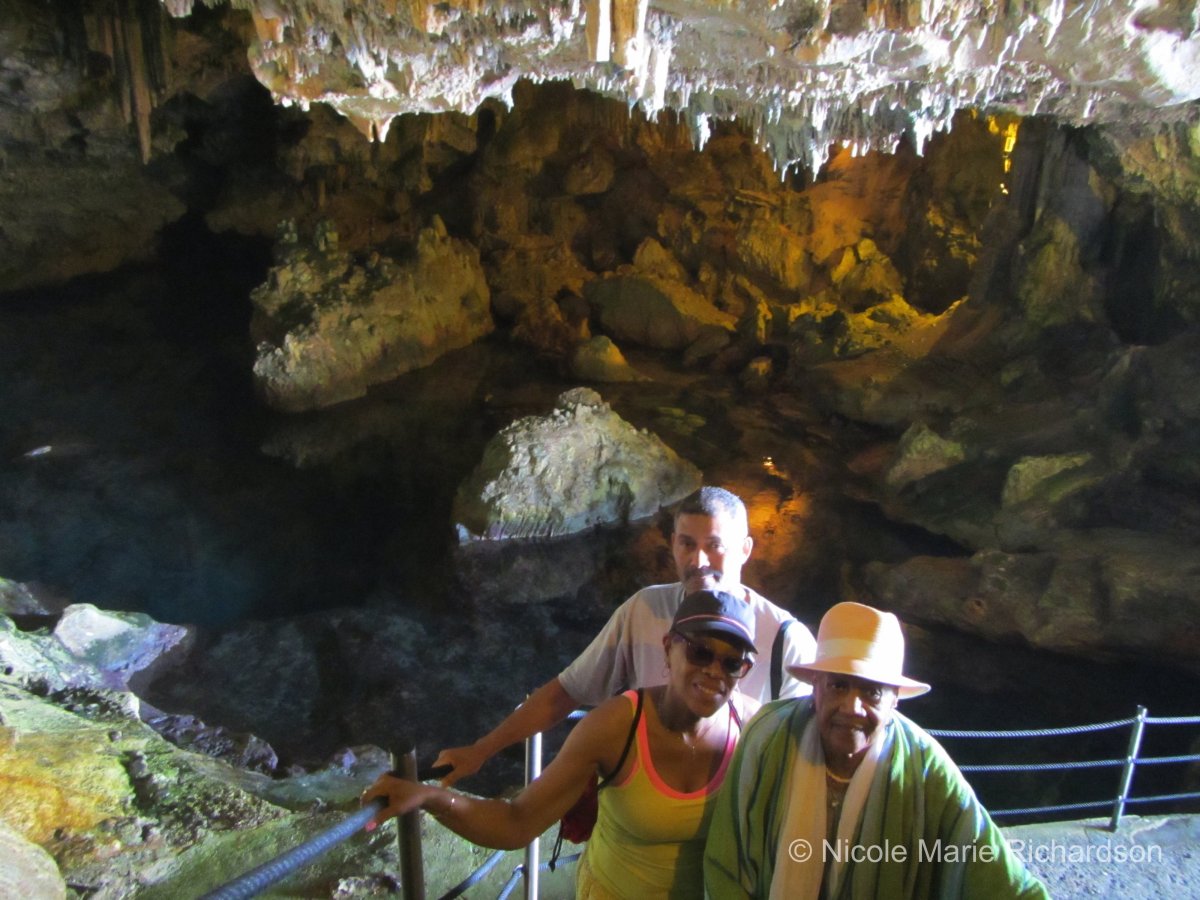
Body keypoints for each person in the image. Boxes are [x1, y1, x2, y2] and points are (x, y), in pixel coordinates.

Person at [364, 590, 762, 898]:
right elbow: (516, 823)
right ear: (668, 647)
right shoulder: (616, 726)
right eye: (700, 651)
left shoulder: (754, 727)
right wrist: (429, 798)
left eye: (732, 663)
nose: (714, 671)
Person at [435, 485, 816, 786]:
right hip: (646, 800)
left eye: (715, 546)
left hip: (733, 817)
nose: (699, 561)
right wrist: (481, 750)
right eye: (687, 544)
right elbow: (567, 691)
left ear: (745, 550)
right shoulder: (643, 611)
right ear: (672, 543)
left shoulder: (787, 641)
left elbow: (802, 754)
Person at [704, 601, 1050, 899]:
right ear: (815, 687)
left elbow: (998, 876)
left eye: (872, 692)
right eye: (838, 685)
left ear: (895, 701)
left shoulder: (925, 767)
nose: (852, 707)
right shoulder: (767, 739)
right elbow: (725, 865)